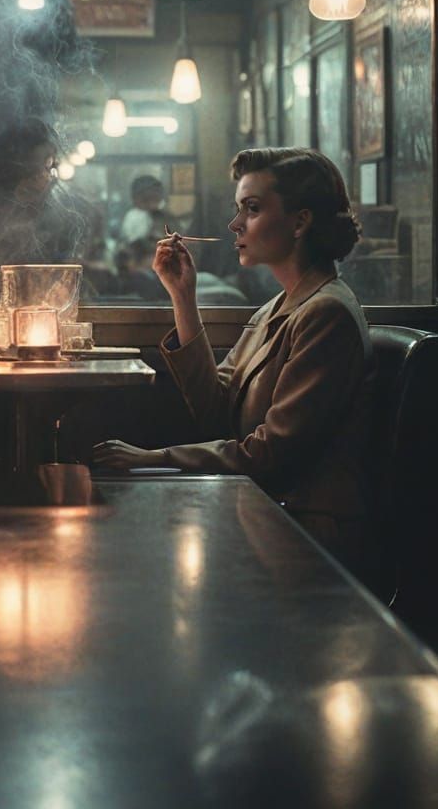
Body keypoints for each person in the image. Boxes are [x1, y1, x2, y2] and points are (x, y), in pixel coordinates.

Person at [93, 147, 372, 571]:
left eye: (252, 209)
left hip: (304, 532)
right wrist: (183, 298)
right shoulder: (278, 306)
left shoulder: (326, 313)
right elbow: (215, 414)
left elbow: (271, 456)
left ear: (300, 221)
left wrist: (155, 458)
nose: (234, 224)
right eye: (238, 208)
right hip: (264, 511)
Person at [0, 118, 88, 280]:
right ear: (20, 164)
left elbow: (65, 266)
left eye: (52, 163)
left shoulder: (56, 209)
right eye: (46, 163)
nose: (51, 174)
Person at [118, 174, 167, 245]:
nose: (153, 203)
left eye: (156, 198)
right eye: (147, 199)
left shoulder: (164, 217)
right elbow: (133, 242)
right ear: (136, 199)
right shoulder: (133, 217)